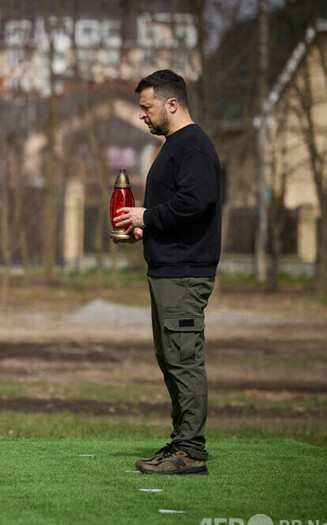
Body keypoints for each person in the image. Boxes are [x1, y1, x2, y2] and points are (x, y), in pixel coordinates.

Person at [113, 69, 222, 475]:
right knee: (171, 357)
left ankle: (191, 451)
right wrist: (149, 226)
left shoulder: (193, 146)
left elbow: (195, 202)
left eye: (147, 107)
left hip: (185, 273)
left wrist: (148, 215)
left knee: (184, 359)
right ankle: (181, 442)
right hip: (168, 271)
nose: (142, 115)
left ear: (171, 104)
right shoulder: (175, 146)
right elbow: (179, 208)